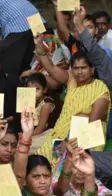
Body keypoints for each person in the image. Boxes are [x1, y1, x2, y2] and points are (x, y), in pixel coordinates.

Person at [35, 33, 111, 169]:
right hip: (60, 134)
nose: (79, 72)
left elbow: (92, 123)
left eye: (83, 68)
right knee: (42, 163)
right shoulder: (71, 80)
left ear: (92, 69)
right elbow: (51, 68)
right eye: (76, 68)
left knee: (64, 166)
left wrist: (68, 142)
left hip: (86, 139)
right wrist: (39, 46)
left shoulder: (100, 89)